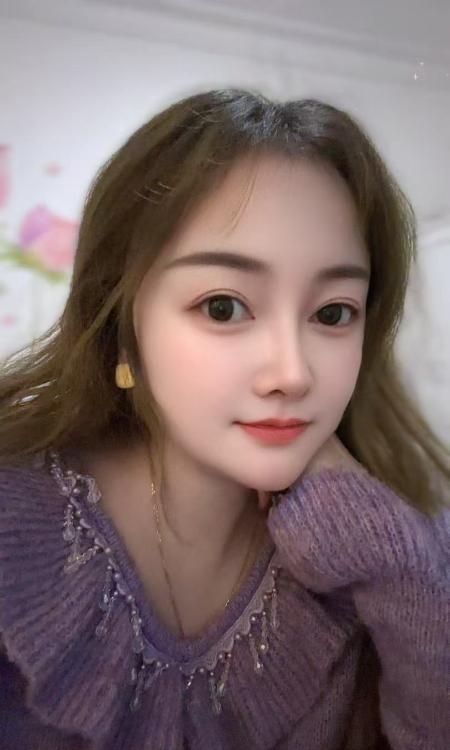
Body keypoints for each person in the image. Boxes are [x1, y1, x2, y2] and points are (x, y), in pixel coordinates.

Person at [0, 89, 448, 750]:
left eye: (332, 313)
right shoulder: (15, 518)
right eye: (223, 307)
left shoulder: (406, 537)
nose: (293, 373)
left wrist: (395, 568)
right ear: (122, 323)